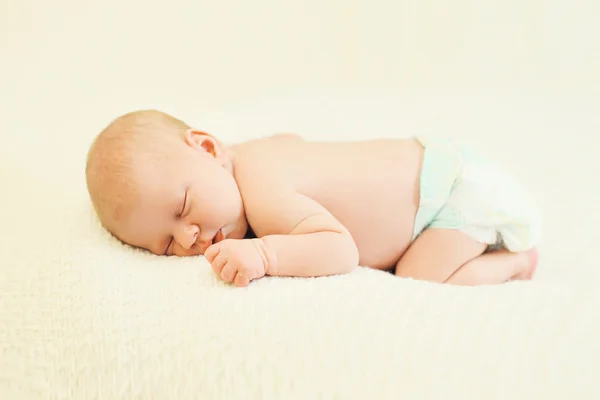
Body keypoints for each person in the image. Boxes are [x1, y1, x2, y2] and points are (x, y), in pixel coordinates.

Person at [85, 109, 541, 287]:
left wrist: (265, 253)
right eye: (165, 244)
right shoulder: (253, 155)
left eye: (182, 208)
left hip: (454, 196)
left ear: (208, 148)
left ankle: (517, 263)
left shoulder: (262, 191)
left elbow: (341, 250)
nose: (189, 237)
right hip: (439, 161)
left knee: (422, 275)